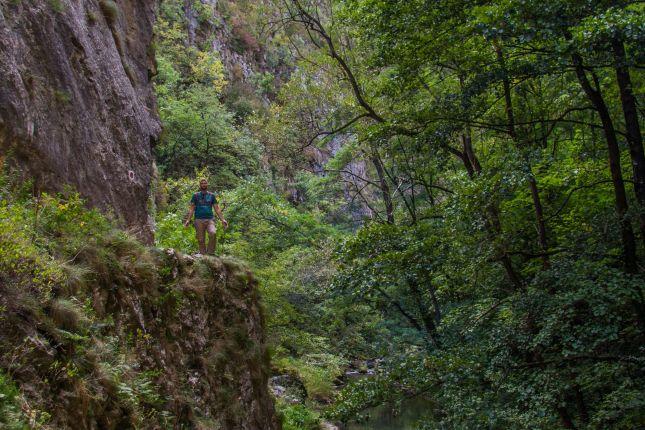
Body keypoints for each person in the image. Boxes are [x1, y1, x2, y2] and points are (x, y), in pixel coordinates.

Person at [184, 178, 228, 255]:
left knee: (213, 233)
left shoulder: (211, 196)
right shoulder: (195, 195)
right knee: (200, 239)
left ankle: (210, 253)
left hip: (210, 219)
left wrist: (223, 220)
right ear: (200, 185)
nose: (204, 184)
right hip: (198, 220)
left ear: (207, 184)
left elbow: (217, 209)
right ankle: (203, 255)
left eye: (205, 183)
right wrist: (188, 220)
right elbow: (191, 209)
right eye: (202, 183)